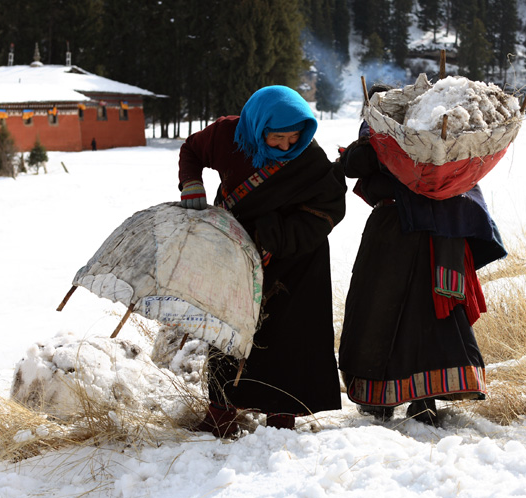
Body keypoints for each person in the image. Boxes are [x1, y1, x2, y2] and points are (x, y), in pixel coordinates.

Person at [176, 85, 347, 437]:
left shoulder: (309, 160)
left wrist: (273, 237)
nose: (286, 147)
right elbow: (192, 149)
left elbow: (328, 209)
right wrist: (191, 183)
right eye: (276, 138)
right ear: (258, 128)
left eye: (294, 138)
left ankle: (282, 414)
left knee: (288, 333)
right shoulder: (228, 135)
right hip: (237, 247)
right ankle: (221, 412)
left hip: (296, 255)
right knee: (227, 326)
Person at [337, 85, 507, 426]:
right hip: (440, 238)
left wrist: (370, 142)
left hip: (393, 236)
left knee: (379, 317)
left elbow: (353, 165)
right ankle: (423, 400)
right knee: (428, 317)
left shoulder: (384, 136)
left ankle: (382, 400)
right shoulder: (441, 138)